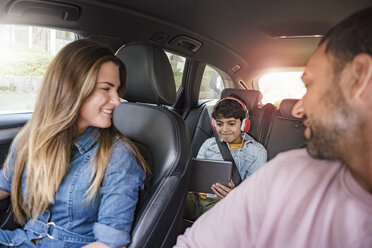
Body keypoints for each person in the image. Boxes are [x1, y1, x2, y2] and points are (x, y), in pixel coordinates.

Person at [175, 7, 372, 248]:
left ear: (361, 77)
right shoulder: (288, 171)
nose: (299, 110)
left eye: (310, 85)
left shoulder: (266, 158)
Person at [0, 39, 150, 248]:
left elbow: (110, 244)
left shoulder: (118, 156)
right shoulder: (30, 139)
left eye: (116, 90)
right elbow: (3, 186)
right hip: (22, 241)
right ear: (72, 88)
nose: (117, 101)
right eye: (106, 89)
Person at [184, 95, 267, 220]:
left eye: (231, 123)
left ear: (244, 124)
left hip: (225, 205)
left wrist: (234, 195)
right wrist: (196, 188)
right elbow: (196, 174)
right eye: (219, 124)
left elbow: (254, 195)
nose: (225, 129)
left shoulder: (257, 152)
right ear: (213, 124)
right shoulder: (209, 144)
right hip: (197, 199)